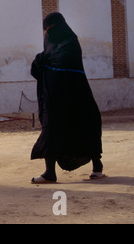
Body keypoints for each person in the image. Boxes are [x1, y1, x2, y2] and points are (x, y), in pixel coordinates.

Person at [30, 12, 105, 183]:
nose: (48, 33)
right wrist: (40, 61)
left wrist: (43, 61)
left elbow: (62, 62)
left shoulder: (71, 43)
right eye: (46, 30)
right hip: (56, 97)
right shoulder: (50, 50)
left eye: (50, 29)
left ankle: (97, 167)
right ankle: (50, 172)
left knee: (86, 125)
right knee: (51, 129)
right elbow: (41, 67)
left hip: (77, 95)